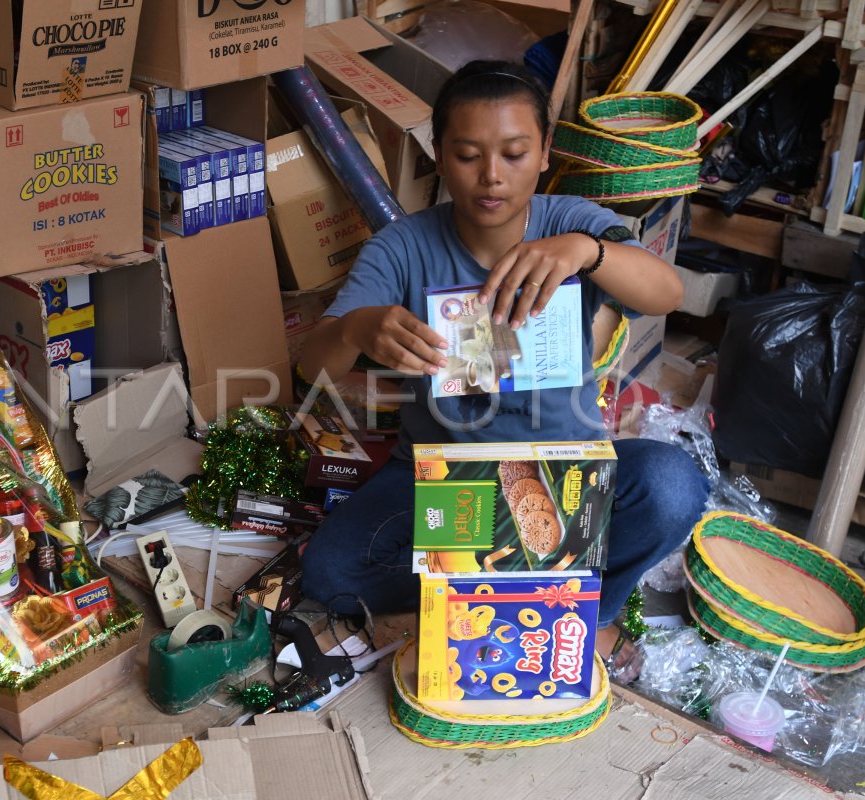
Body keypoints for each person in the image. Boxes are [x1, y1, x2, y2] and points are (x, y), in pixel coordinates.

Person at [297, 60, 709, 669]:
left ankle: (582, 615)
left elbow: (666, 293)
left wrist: (588, 252)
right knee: (329, 573)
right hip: (443, 478)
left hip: (568, 478)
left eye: (514, 154)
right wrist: (358, 327)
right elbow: (311, 363)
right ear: (439, 154)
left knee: (673, 485)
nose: (492, 177)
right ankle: (525, 594)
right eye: (468, 155)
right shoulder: (404, 246)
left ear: (544, 152)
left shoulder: (572, 222)